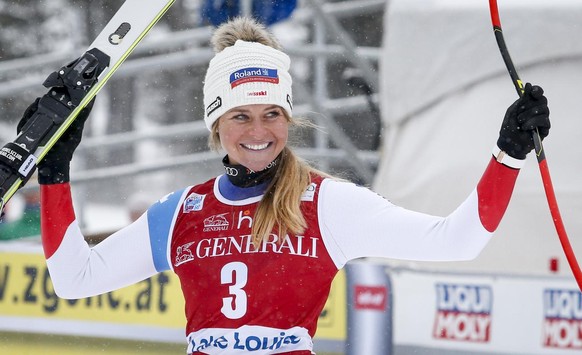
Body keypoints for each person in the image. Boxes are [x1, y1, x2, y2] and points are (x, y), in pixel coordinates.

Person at [21, 17, 550, 355]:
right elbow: (74, 278)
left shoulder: (330, 204)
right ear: (216, 126)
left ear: (289, 119)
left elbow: (457, 239)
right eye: (241, 116)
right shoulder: (182, 210)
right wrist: (55, 173)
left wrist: (508, 152)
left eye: (272, 114)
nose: (258, 132)